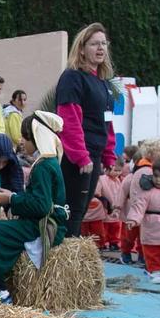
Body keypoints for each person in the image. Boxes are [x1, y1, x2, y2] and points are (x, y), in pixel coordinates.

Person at [0, 110, 70, 296]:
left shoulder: (43, 166)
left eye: (25, 138)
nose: (21, 141)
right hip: (37, 222)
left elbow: (41, 206)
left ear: (36, 137)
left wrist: (11, 198)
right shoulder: (48, 162)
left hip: (40, 227)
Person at [55, 23, 121, 238]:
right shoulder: (72, 77)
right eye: (94, 44)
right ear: (82, 48)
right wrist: (80, 156)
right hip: (77, 158)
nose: (100, 48)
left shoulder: (103, 83)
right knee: (71, 211)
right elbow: (69, 120)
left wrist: (109, 156)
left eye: (103, 43)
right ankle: (63, 257)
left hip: (95, 155)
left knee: (81, 210)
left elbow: (107, 123)